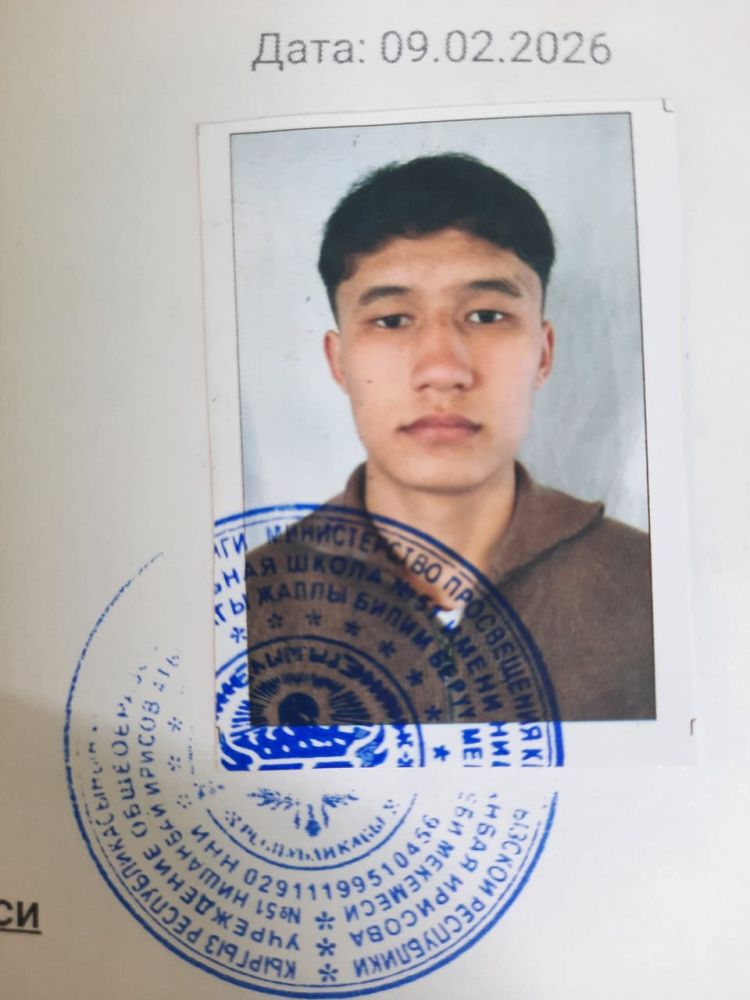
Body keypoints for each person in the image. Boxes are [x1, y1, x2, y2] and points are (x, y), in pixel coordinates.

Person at [245, 153, 655, 726]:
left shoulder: (650, 586)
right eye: (392, 320)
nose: (442, 370)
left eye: (486, 315)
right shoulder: (247, 606)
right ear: (339, 363)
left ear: (543, 354)